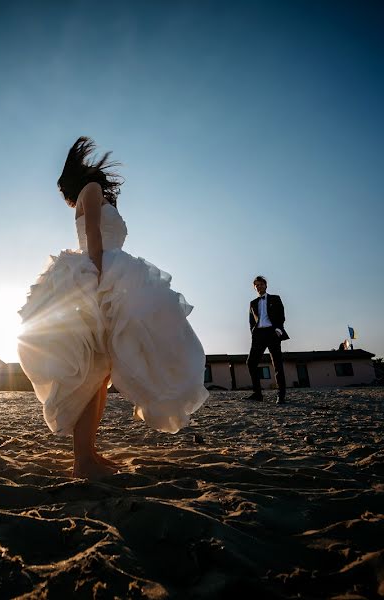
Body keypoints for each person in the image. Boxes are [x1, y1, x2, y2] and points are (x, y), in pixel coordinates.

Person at [17, 137, 208, 479]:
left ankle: (88, 454)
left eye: (67, 196)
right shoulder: (92, 191)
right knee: (93, 369)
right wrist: (98, 279)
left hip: (108, 271)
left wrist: (104, 276)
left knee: (103, 371)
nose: (70, 203)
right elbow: (91, 234)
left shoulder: (92, 190)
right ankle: (83, 461)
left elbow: (96, 231)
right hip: (98, 271)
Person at [246, 275, 289, 403]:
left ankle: (281, 395)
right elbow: (251, 321)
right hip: (259, 334)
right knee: (251, 362)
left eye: (261, 284)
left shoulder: (275, 299)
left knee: (277, 364)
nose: (259, 287)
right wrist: (253, 332)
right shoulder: (253, 303)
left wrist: (278, 330)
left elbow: (281, 316)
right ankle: (257, 394)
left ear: (266, 285)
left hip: (272, 333)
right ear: (255, 288)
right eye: (256, 285)